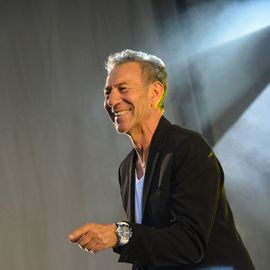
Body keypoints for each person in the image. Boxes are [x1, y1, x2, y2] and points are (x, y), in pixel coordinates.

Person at [68, 49, 255, 270]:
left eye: (123, 89)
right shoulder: (127, 169)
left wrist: (119, 234)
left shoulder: (187, 148)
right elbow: (150, 248)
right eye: (108, 92)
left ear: (155, 92)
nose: (112, 100)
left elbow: (189, 243)